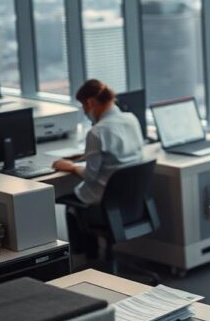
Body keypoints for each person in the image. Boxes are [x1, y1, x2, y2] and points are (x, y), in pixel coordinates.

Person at [53, 79, 144, 256]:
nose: (85, 111)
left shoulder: (97, 132)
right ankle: (92, 256)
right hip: (130, 199)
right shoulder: (131, 119)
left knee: (67, 201)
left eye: (83, 106)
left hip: (104, 200)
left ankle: (82, 257)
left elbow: (90, 176)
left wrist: (71, 167)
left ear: (90, 103)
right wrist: (87, 155)